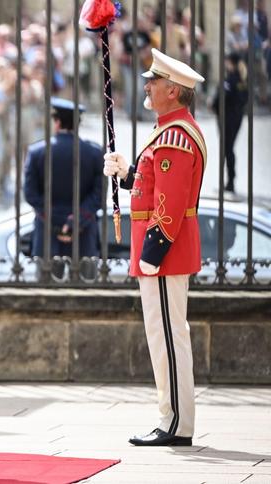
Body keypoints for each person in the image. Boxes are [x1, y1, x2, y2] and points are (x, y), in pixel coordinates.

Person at [104, 48, 206, 447]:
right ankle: (171, 417)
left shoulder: (176, 136)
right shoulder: (170, 130)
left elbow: (171, 205)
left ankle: (176, 423)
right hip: (163, 254)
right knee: (163, 336)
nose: (147, 85)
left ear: (174, 91)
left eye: (154, 81)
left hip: (165, 254)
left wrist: (152, 253)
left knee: (167, 337)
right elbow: (153, 190)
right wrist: (128, 173)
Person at [23, 98, 103, 274]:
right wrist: (74, 221)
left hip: (47, 233)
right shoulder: (94, 153)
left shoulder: (37, 152)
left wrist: (56, 221)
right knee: (87, 294)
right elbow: (99, 195)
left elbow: (30, 193)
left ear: (57, 122)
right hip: (84, 235)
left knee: (45, 294)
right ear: (78, 124)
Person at [210, 52, 248, 193]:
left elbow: (221, 98)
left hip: (228, 119)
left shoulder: (231, 80)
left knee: (227, 149)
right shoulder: (241, 79)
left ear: (230, 62)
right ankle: (230, 181)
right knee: (229, 148)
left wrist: (213, 105)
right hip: (235, 117)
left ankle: (230, 182)